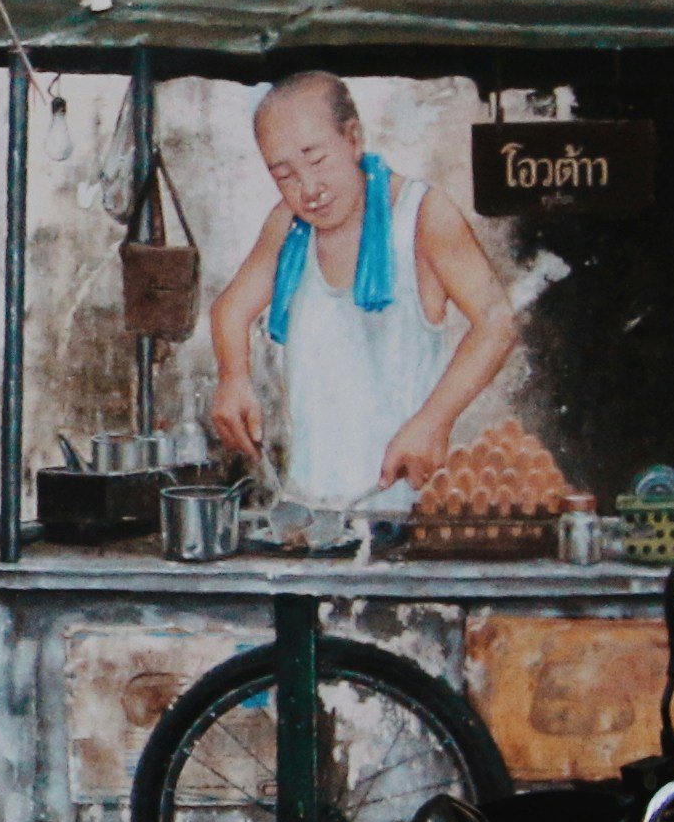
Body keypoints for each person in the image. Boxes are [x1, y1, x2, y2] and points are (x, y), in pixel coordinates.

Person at [202, 74, 525, 516]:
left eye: (317, 160)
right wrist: (232, 377)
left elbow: (497, 322)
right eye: (285, 175)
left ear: (353, 139)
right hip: (308, 510)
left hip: (404, 510)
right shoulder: (287, 227)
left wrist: (434, 420)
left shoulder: (421, 215)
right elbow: (229, 309)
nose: (308, 188)